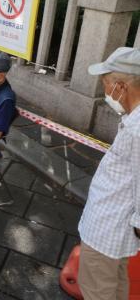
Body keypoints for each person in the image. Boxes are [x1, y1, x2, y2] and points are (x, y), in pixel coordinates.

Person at [77, 47, 140, 300]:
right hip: (113, 225)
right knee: (115, 284)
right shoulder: (132, 119)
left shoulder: (138, 129)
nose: (105, 91)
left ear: (121, 86)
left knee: (97, 289)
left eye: (106, 84)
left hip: (108, 228)